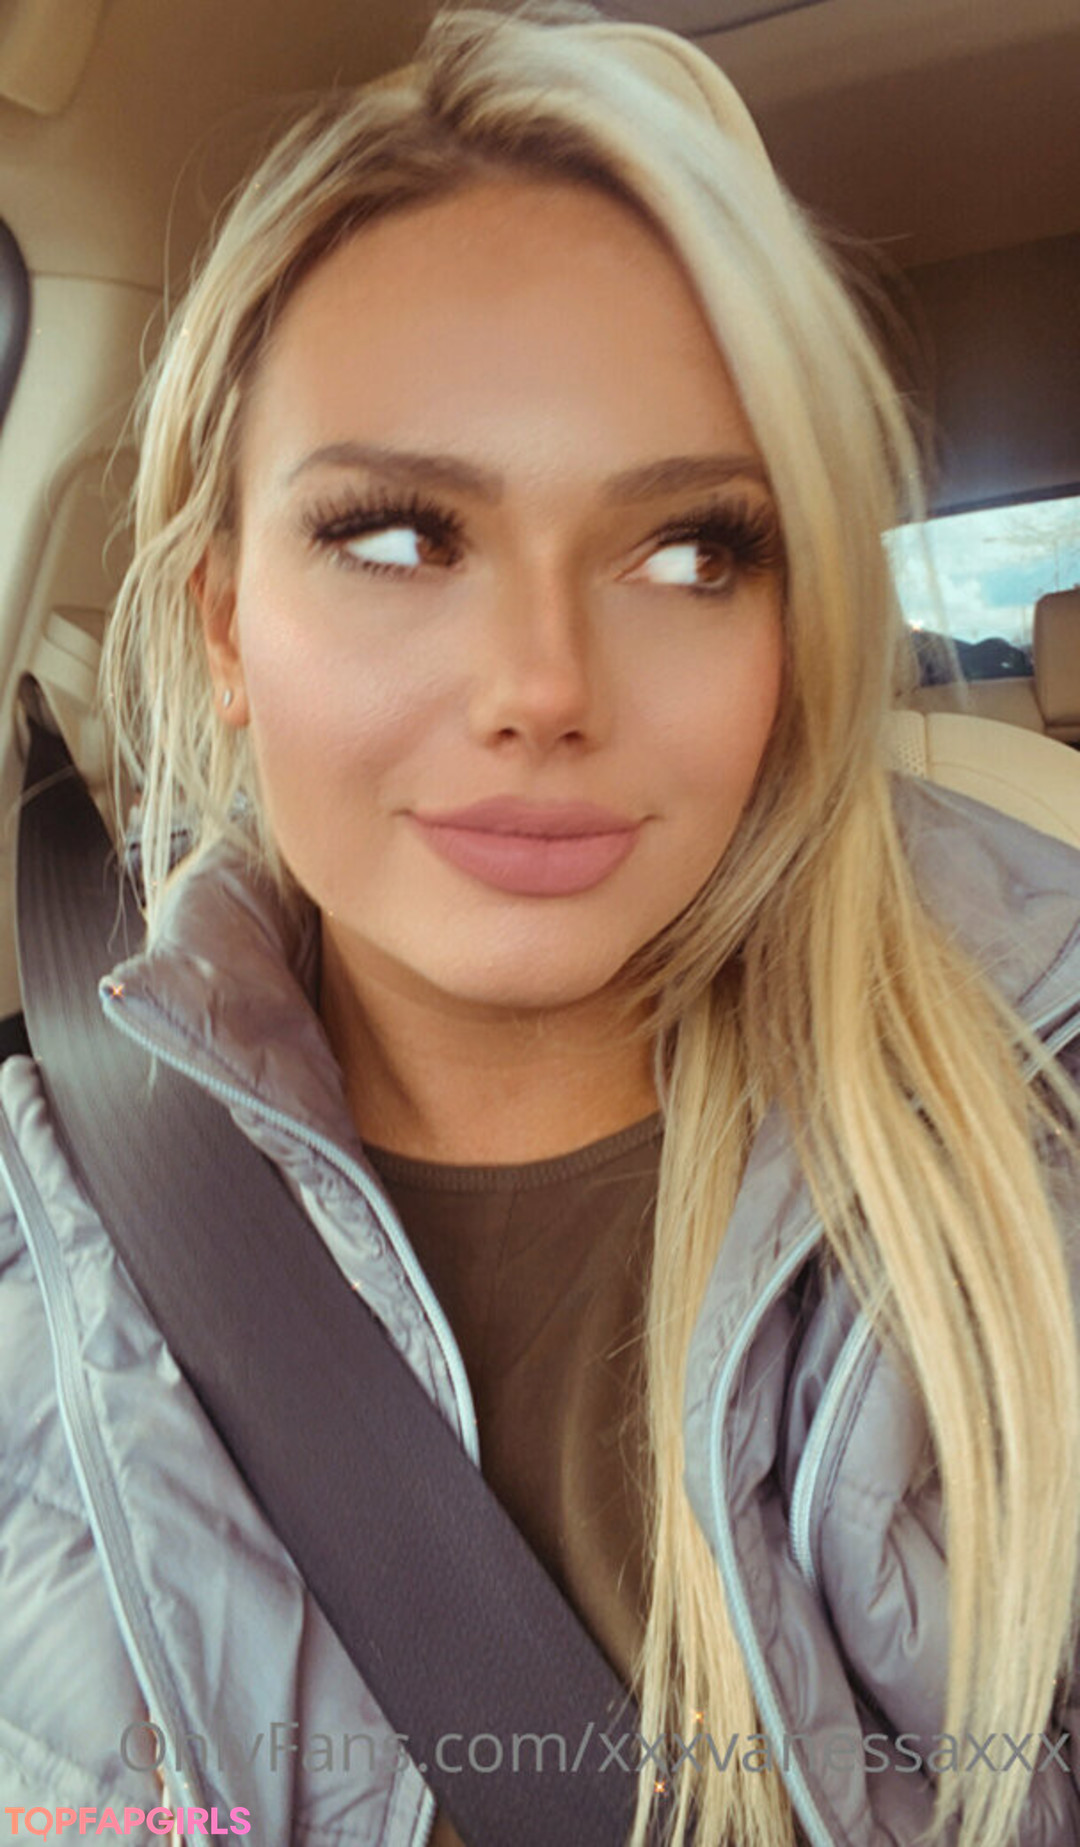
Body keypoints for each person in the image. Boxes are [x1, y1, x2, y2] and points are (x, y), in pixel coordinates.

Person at [1, 4, 1078, 1844]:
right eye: (400, 537)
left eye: (690, 552)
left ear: (793, 635)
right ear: (224, 628)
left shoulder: (1033, 1148)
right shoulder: (49, 1242)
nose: (544, 687)